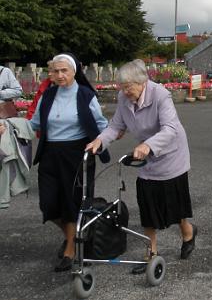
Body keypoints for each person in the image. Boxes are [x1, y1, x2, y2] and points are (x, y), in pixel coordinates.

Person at [85, 59, 197, 273]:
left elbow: (171, 128)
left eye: (129, 87)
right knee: (147, 205)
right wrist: (100, 140)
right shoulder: (124, 98)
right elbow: (116, 126)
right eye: (122, 87)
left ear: (143, 82)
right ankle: (151, 252)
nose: (125, 92)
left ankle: (188, 232)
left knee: (174, 206)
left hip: (171, 154)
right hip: (145, 158)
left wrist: (148, 144)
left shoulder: (161, 95)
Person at [27, 53, 108, 272]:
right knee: (49, 205)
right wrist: (10, 127)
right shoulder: (48, 94)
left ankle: (71, 249)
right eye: (56, 71)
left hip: (77, 152)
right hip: (50, 154)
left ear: (74, 72)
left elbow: (101, 123)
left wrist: (104, 140)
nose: (60, 75)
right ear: (51, 73)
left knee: (73, 205)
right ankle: (74, 236)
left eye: (65, 71)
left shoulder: (85, 94)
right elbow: (34, 123)